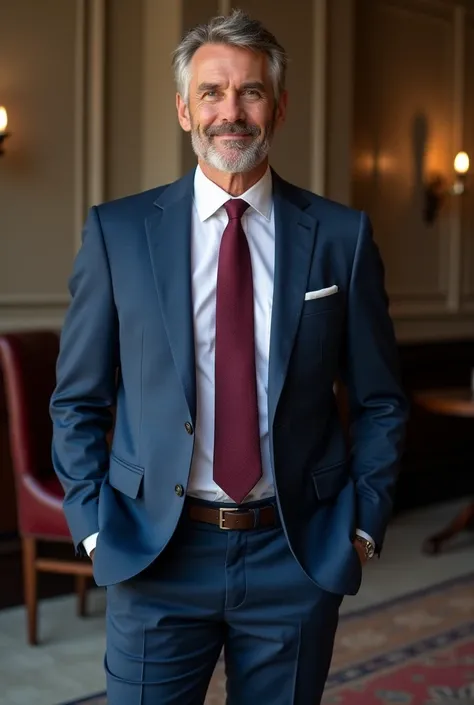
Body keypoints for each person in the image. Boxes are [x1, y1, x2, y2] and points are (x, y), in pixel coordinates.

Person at [50, 10, 408, 705]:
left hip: (295, 553)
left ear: (279, 106)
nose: (231, 112)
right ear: (184, 109)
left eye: (249, 92)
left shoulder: (342, 236)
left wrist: (361, 527)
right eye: (212, 92)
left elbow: (380, 399)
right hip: (157, 554)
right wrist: (95, 529)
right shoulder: (118, 233)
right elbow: (78, 399)